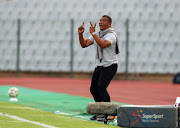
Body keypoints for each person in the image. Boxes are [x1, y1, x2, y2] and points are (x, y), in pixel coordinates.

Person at [78, 15, 120, 121]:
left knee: (101, 88)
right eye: (100, 20)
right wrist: (80, 34)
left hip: (110, 65)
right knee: (93, 89)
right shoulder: (97, 34)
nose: (101, 22)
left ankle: (109, 114)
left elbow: (103, 44)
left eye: (104, 21)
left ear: (109, 24)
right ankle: (100, 112)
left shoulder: (111, 35)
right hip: (100, 65)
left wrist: (93, 34)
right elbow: (84, 44)